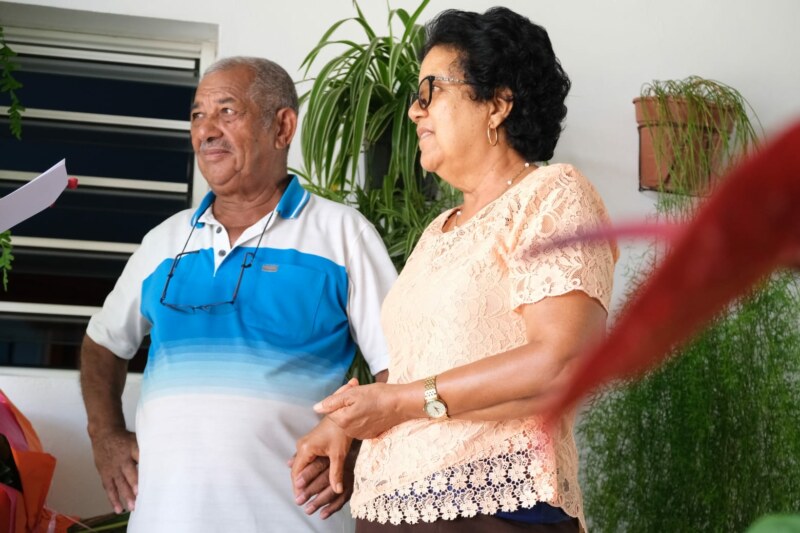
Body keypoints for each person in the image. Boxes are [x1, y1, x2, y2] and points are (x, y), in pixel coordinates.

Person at [293, 7, 617, 532]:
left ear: (497, 103)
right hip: (390, 508)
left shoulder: (552, 195)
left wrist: (397, 402)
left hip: (495, 509)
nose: (415, 113)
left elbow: (562, 361)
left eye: (431, 91)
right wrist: (348, 426)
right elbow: (426, 363)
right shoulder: (436, 229)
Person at [80, 56, 396, 532]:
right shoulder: (163, 242)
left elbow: (403, 366)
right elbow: (103, 343)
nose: (206, 130)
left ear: (282, 126)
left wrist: (358, 450)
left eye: (227, 111)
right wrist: (104, 434)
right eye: (197, 115)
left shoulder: (342, 235)